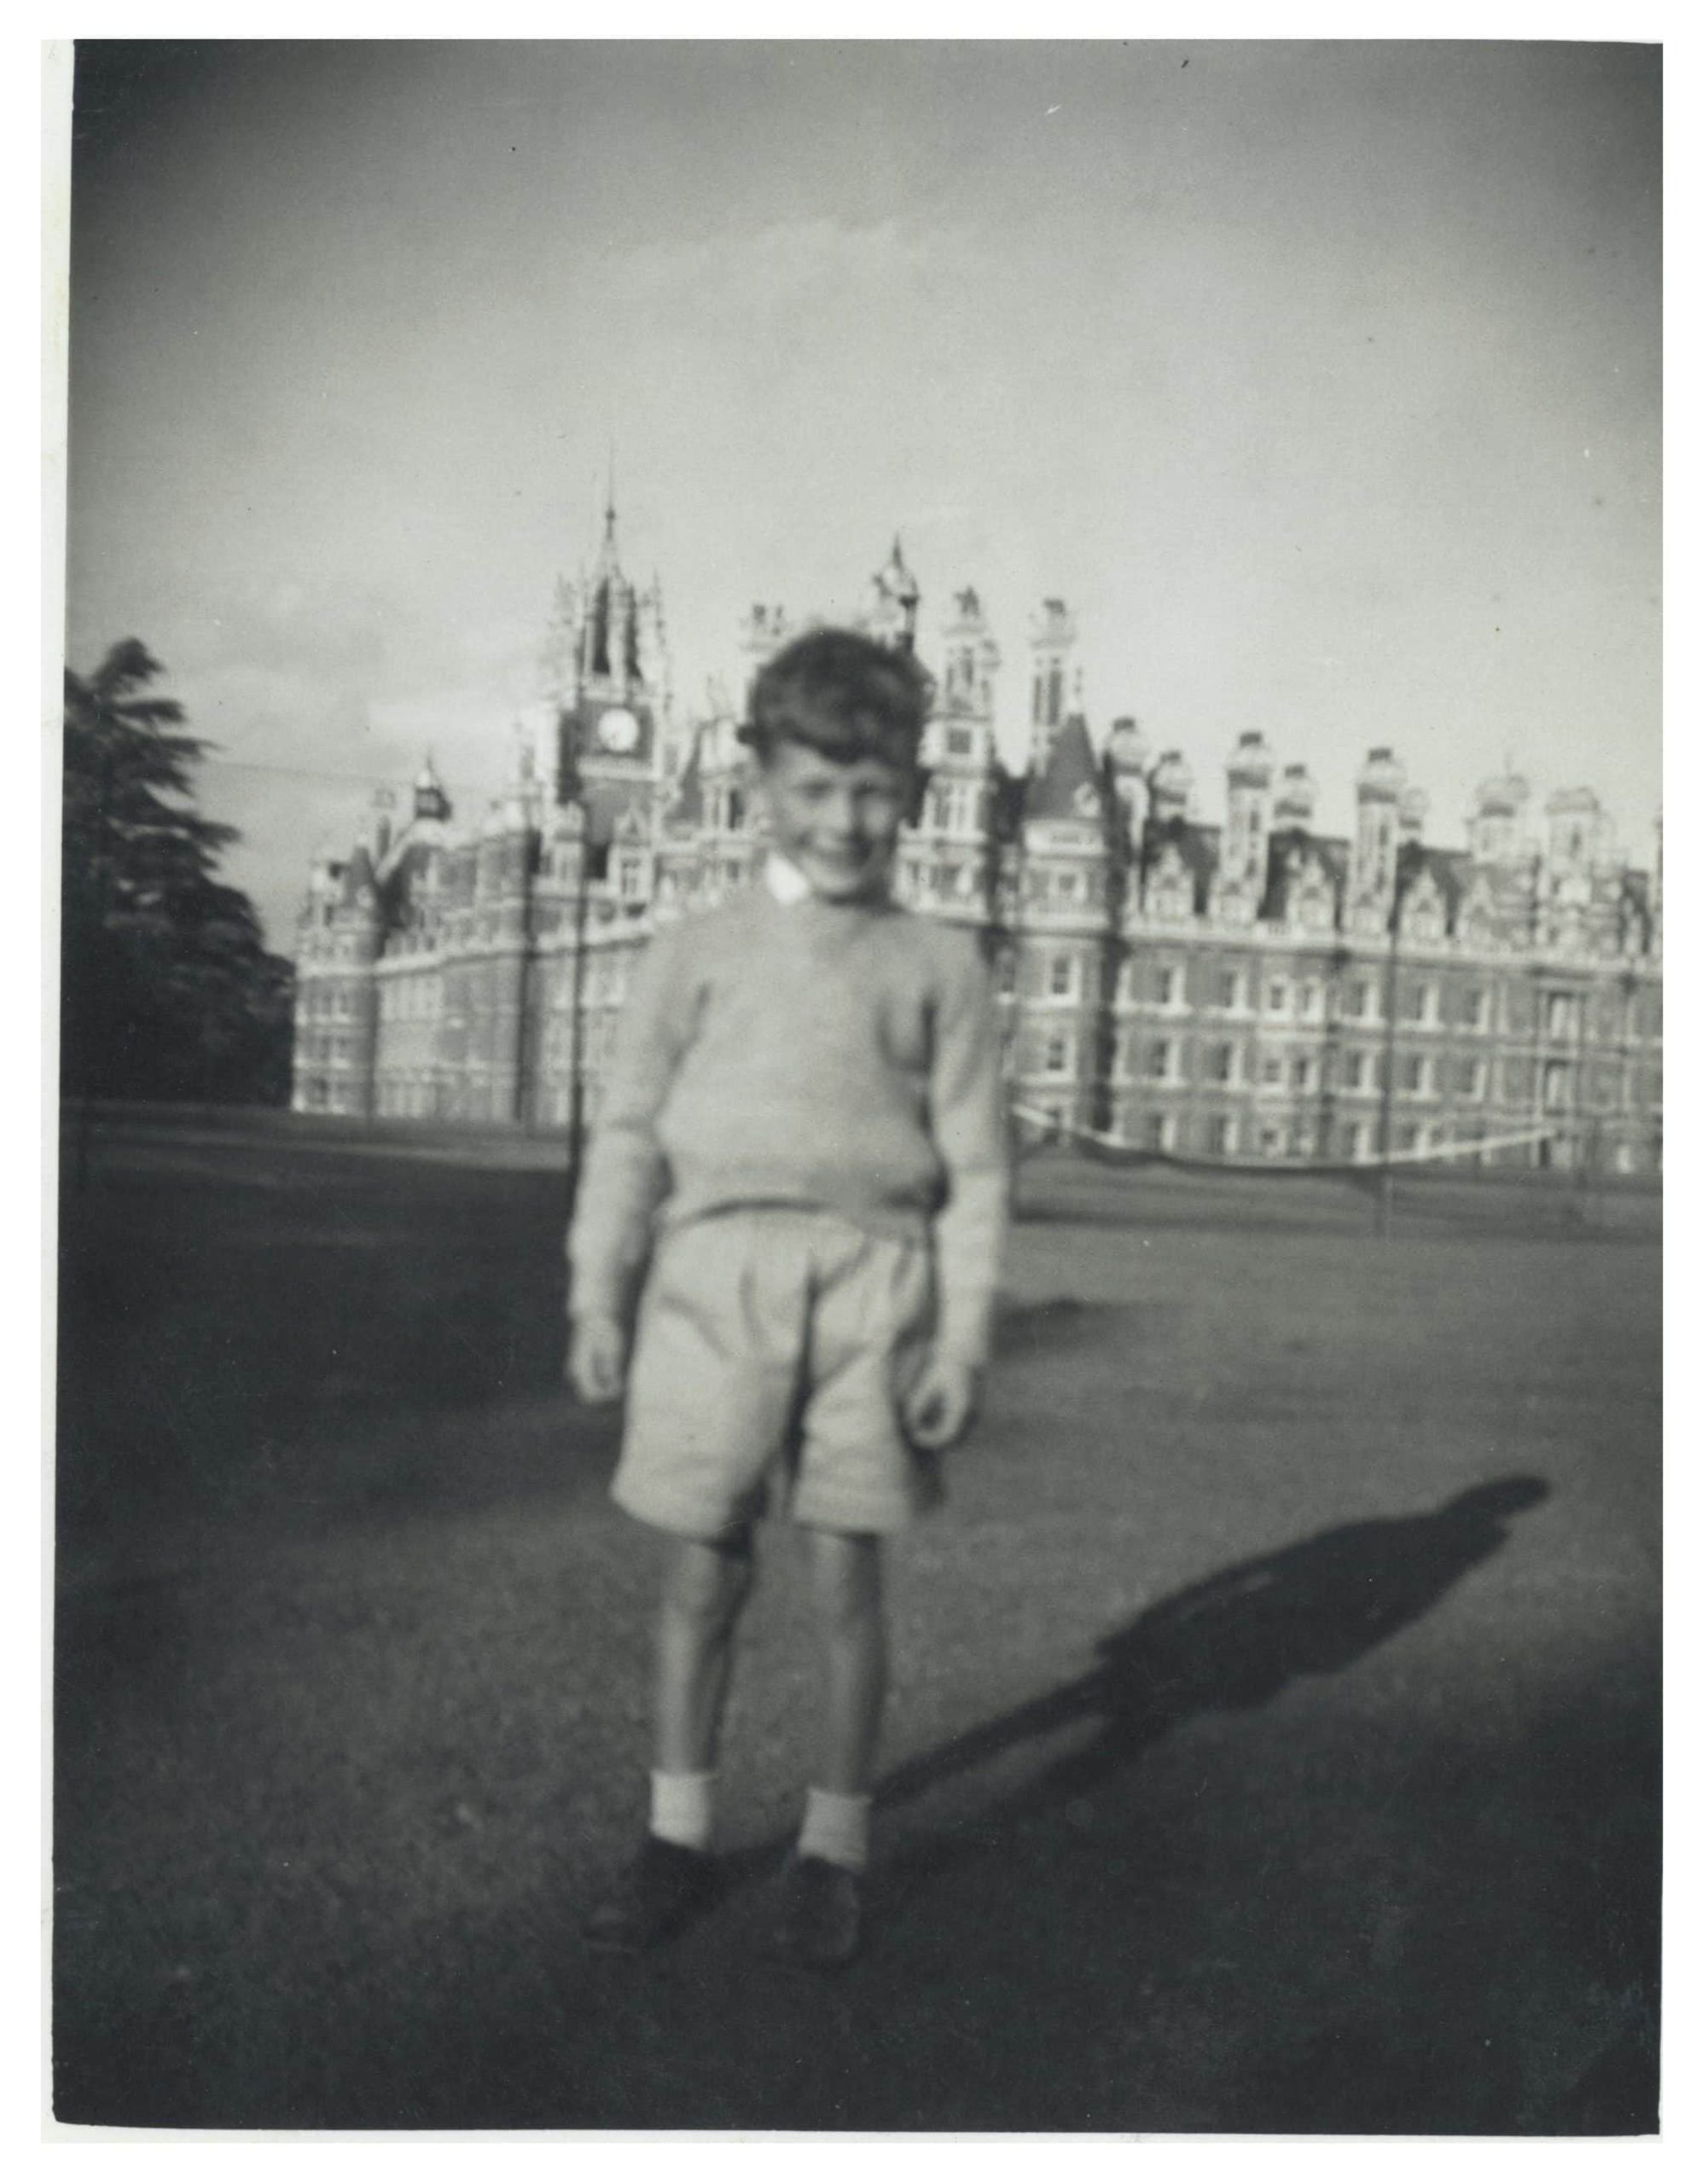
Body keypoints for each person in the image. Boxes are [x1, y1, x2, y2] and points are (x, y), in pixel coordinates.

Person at [566, 625, 1008, 1968]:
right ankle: (677, 1833)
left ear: (913, 792)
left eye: (872, 789)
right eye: (814, 788)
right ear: (762, 781)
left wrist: (966, 1339)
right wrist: (599, 1286)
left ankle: (834, 1849)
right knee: (702, 1576)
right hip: (709, 1289)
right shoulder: (695, 946)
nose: (844, 819)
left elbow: (980, 1166)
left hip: (874, 1294)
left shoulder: (940, 965)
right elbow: (630, 1128)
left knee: (844, 1586)